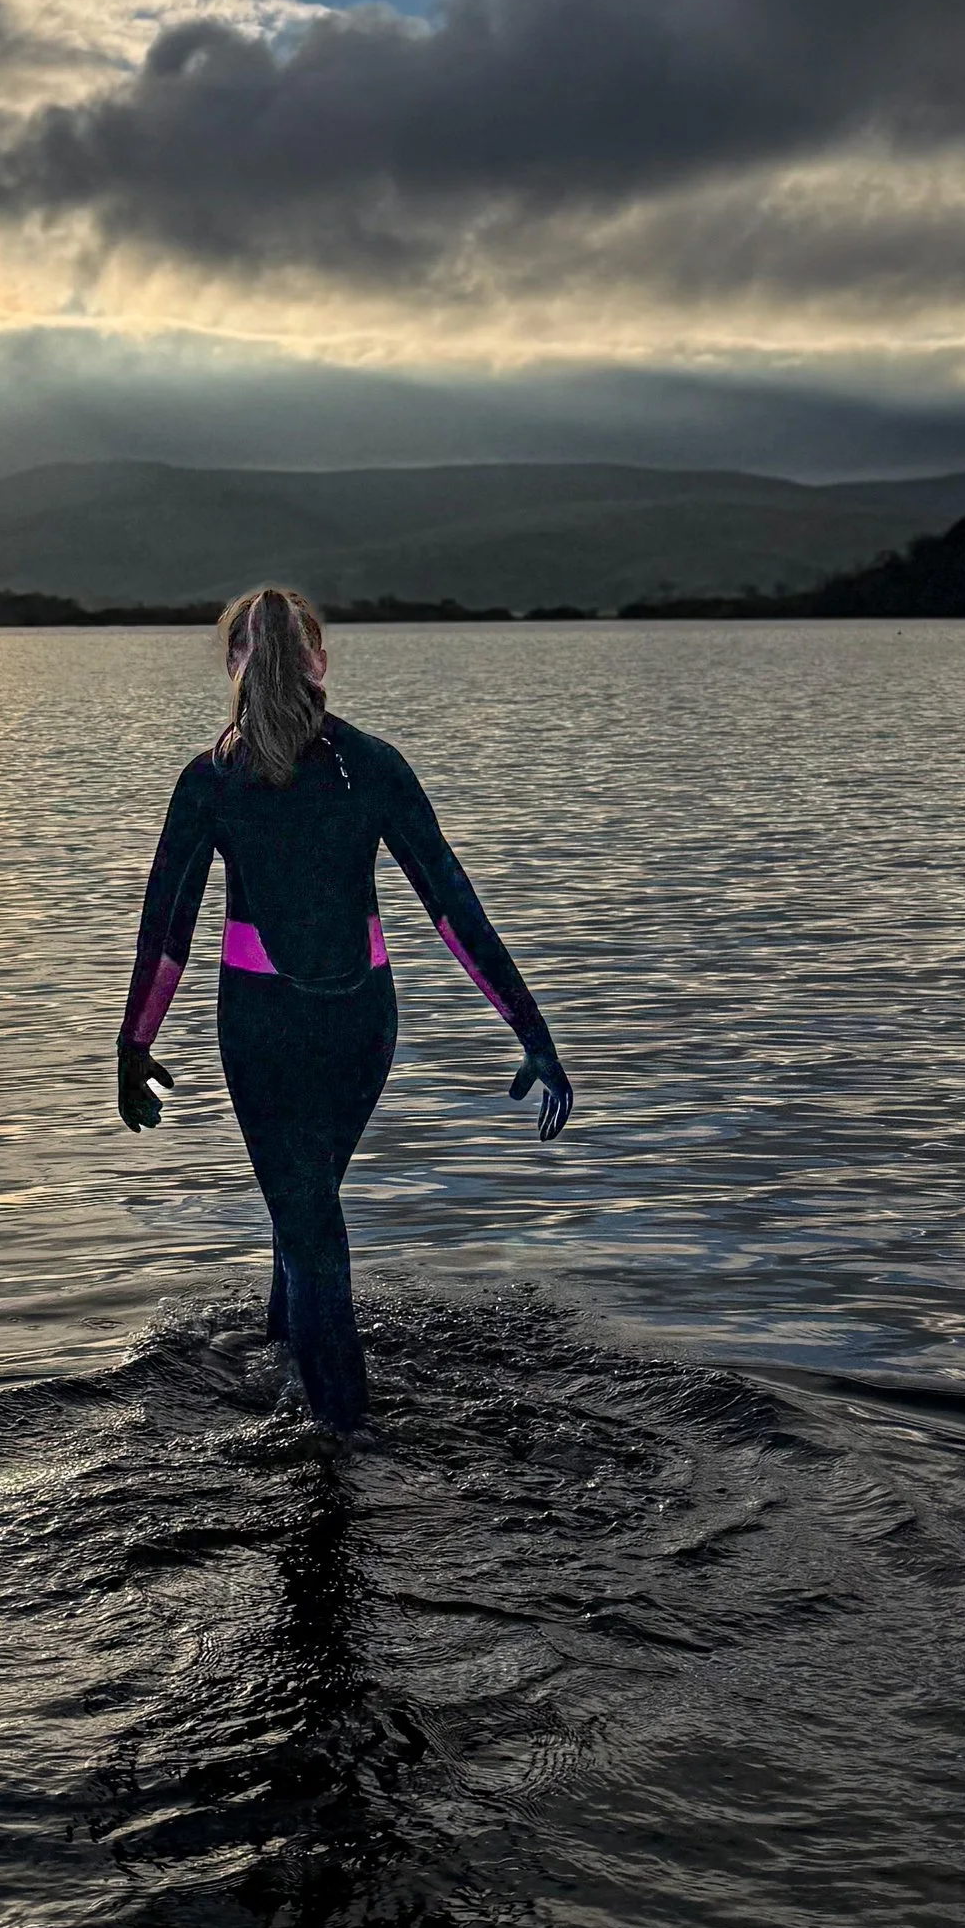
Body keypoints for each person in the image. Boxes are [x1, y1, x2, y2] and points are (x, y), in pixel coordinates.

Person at [116, 584, 573, 1432]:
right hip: (365, 1026)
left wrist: (134, 1043)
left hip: (264, 1027)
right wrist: (533, 1034)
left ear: (235, 662)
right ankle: (289, 1366)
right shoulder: (373, 764)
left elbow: (165, 934)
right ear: (320, 660)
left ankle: (345, 1446)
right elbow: (454, 909)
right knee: (306, 1204)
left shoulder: (211, 782)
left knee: (310, 1225)